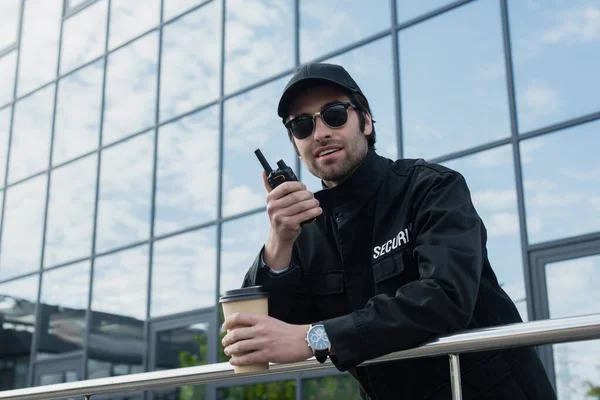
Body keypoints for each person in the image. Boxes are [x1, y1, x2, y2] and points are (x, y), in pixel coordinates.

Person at [221, 63, 556, 399]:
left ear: (366, 121)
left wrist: (314, 338)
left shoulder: (431, 188)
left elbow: (445, 296)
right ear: (296, 145)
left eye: (334, 114)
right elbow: (259, 333)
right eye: (302, 125)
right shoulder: (305, 230)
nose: (320, 133)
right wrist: (279, 240)